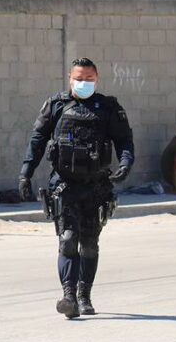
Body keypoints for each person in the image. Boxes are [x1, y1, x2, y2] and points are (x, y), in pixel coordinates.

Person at [19, 58, 134, 319]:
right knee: (68, 239)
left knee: (90, 244)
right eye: (79, 78)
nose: (84, 83)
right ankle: (68, 295)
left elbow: (124, 141)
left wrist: (126, 164)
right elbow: (37, 141)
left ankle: (84, 295)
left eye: (89, 79)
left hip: (97, 186)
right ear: (69, 78)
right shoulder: (56, 105)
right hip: (64, 184)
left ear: (98, 79)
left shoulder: (108, 107)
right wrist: (25, 173)